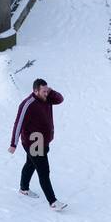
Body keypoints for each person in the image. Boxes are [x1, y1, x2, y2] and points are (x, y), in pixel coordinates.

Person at [9, 79, 67, 211]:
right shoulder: (27, 104)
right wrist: (13, 143)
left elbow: (60, 99)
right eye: (44, 91)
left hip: (44, 140)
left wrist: (51, 91)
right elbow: (18, 124)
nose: (46, 93)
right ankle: (53, 202)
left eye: (47, 91)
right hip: (34, 141)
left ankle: (23, 189)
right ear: (35, 91)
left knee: (30, 164)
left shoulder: (48, 98)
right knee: (43, 171)